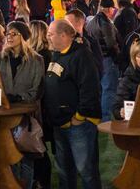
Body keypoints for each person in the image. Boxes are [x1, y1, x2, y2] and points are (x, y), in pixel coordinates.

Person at [44, 19, 102, 189]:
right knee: (64, 171)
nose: (48, 37)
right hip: (60, 124)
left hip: (78, 125)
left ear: (63, 35)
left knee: (87, 172)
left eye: (51, 34)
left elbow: (90, 88)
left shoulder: (82, 55)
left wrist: (79, 116)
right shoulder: (57, 53)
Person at [0, 21, 44, 188]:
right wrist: (2, 99)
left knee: (26, 157)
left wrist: (17, 98)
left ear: (23, 37)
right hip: (4, 115)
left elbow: (36, 90)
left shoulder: (36, 60)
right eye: (8, 33)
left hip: (25, 116)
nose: (9, 36)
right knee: (7, 158)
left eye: (14, 33)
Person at [86, 0, 120, 122]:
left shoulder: (92, 21)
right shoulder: (105, 23)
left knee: (102, 89)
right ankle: (106, 118)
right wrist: (117, 58)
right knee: (109, 89)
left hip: (97, 59)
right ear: (110, 9)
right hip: (107, 59)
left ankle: (100, 116)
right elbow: (111, 44)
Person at [28, 20, 54, 189]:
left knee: (37, 146)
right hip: (46, 106)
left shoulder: (39, 56)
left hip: (40, 107)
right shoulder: (49, 53)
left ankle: (41, 181)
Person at [65, 9, 103, 78]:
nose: (65, 26)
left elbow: (98, 68)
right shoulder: (63, 42)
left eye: (68, 23)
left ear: (80, 23)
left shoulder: (91, 42)